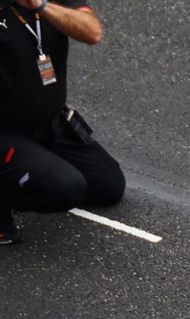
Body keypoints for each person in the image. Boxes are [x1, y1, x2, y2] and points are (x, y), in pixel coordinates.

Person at [0, 0, 125, 245]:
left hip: (50, 123)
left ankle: (37, 164)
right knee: (66, 188)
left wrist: (41, 6)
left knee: (109, 186)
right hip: (5, 132)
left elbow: (92, 32)